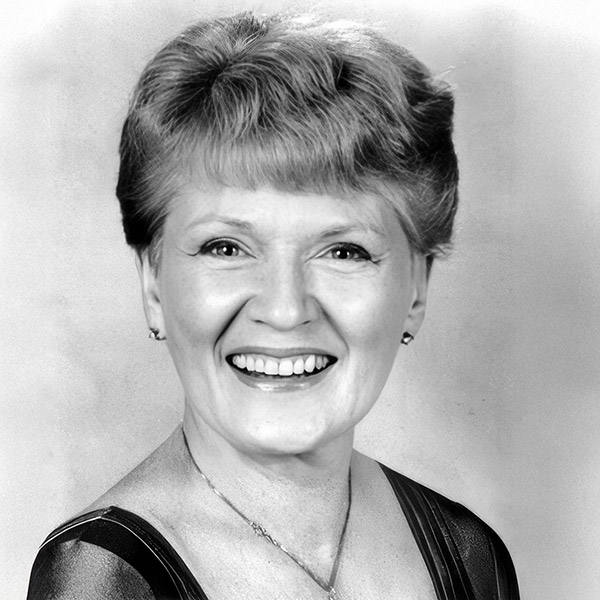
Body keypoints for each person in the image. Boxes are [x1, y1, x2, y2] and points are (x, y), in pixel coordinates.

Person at [28, 12, 519, 600]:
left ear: (416, 287)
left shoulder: (470, 554)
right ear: (153, 284)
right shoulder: (102, 580)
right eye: (226, 247)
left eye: (343, 251)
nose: (285, 310)